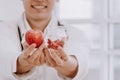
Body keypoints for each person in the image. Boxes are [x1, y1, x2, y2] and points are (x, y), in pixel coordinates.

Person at [0, 0, 90, 80]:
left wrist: (65, 63)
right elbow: (4, 62)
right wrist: (21, 63)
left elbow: (81, 64)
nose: (39, 0)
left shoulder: (75, 34)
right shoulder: (3, 30)